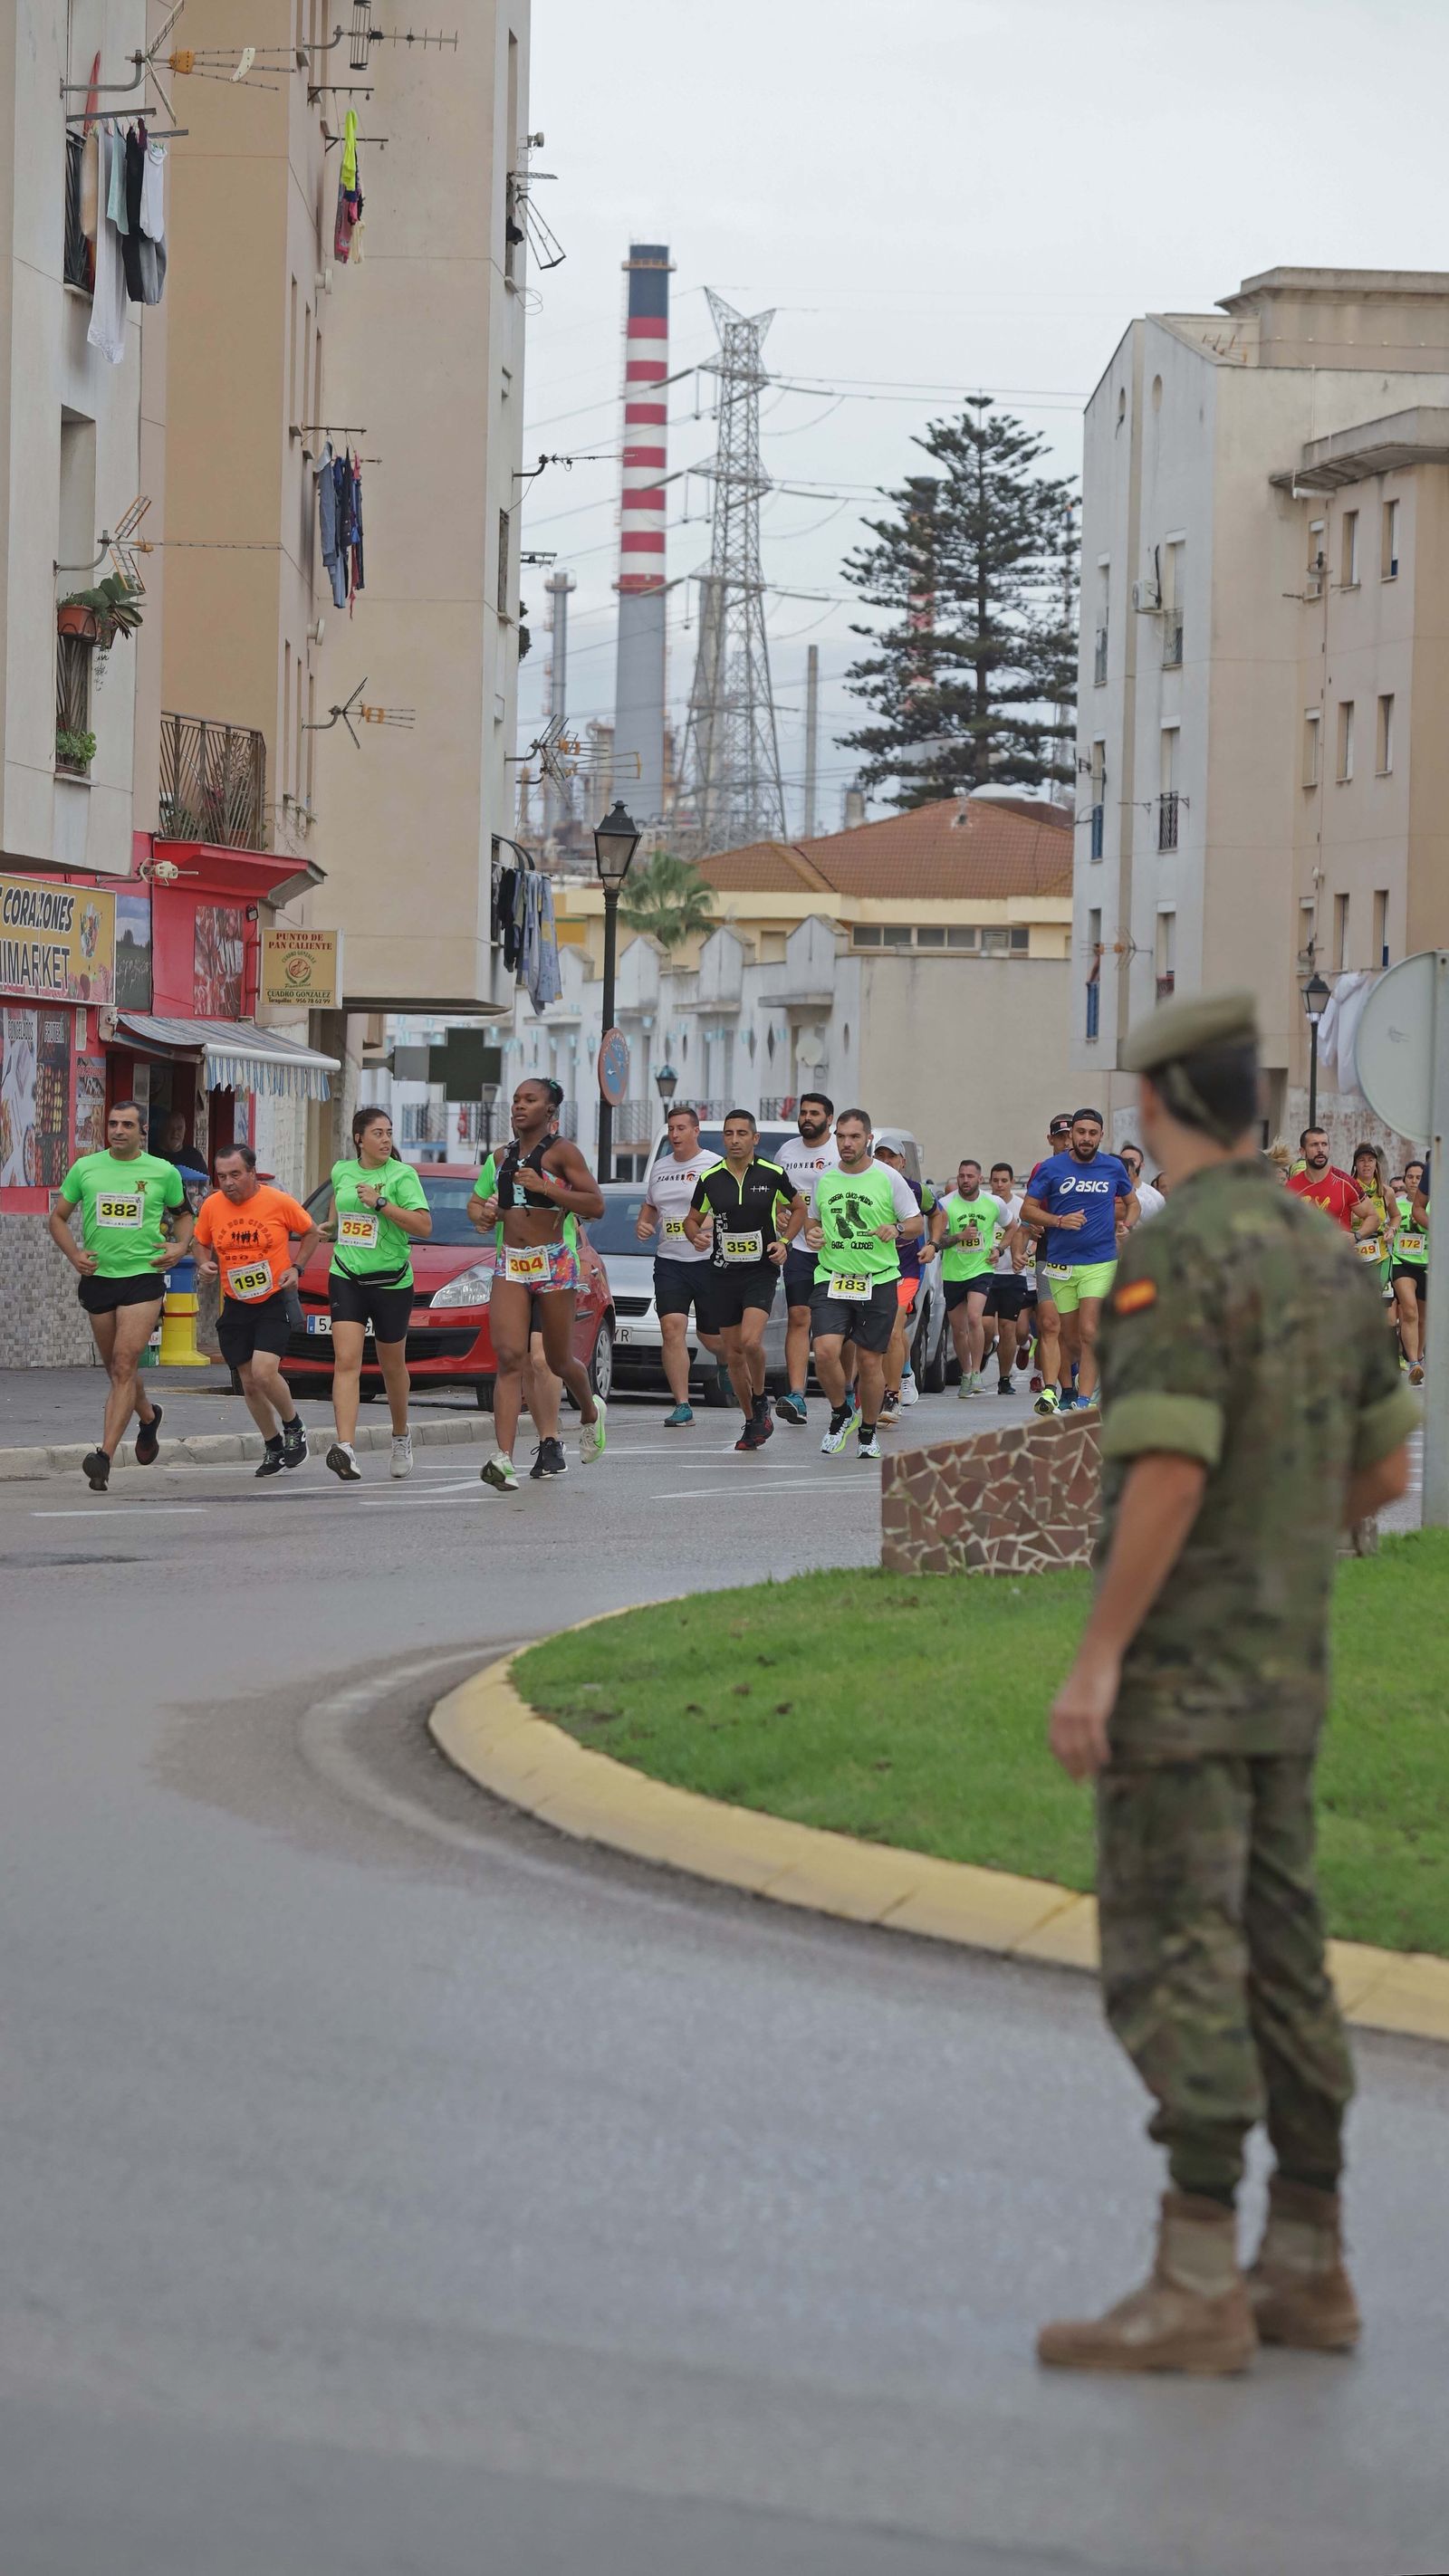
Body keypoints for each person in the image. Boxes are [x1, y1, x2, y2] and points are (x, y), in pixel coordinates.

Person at [1038, 990, 1415, 2378]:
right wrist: (1275, 1542)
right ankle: (1308, 2261)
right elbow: (1381, 1471)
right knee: (1284, 1945)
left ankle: (1197, 2273)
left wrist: (1100, 1656)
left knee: (1174, 1946)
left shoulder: (1171, 1255)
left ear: (1153, 1109)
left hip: (1186, 1669)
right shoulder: (1325, 1249)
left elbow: (1171, 1465)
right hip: (1288, 1658)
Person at [47, 1098, 194, 1493]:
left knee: (126, 1363)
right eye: (113, 1124)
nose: (118, 1131)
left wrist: (180, 1247)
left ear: (142, 1130)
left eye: (127, 1125)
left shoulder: (162, 1171)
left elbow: (184, 1214)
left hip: (143, 1277)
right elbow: (57, 1218)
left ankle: (105, 1457)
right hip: (99, 1278)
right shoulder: (86, 1167)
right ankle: (148, 1418)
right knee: (116, 1369)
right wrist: (74, 1254)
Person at [473, 1078, 607, 1492]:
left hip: (554, 1262)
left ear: (549, 1111)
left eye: (529, 1101)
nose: (518, 1106)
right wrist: (482, 1214)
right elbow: (477, 1203)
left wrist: (546, 1187)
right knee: (510, 1358)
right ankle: (503, 1459)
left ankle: (589, 1411)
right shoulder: (500, 1157)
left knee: (557, 1359)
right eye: (515, 1100)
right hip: (511, 1263)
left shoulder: (563, 1152)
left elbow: (596, 1204)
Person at [191, 1145, 320, 1477]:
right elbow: (200, 1240)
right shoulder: (212, 1205)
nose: (228, 1183)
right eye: (222, 1177)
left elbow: (309, 1232)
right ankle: (273, 1444)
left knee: (264, 1372)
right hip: (236, 1302)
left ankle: (294, 1427)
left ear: (252, 1173)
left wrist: (297, 1268)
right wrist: (204, 1262)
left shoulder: (277, 1202)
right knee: (248, 1383)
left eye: (235, 1175)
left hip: (273, 1299)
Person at [803, 1109, 923, 1460]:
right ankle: (842, 1412)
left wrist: (896, 1229)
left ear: (867, 1139)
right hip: (832, 1277)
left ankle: (868, 1431)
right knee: (824, 1352)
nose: (846, 1143)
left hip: (878, 1280)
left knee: (870, 1362)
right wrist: (812, 1234)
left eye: (854, 1137)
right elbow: (813, 1222)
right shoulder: (824, 1179)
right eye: (841, 1136)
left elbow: (915, 1223)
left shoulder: (887, 1178)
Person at [322, 1106, 432, 1484]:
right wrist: (331, 1225)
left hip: (392, 1281)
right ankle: (346, 1448)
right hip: (347, 1276)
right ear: (359, 1139)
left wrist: (382, 1203)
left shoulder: (403, 1175)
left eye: (389, 1133)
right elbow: (339, 1203)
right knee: (346, 1360)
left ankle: (401, 1435)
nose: (385, 1140)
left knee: (391, 1367)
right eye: (378, 1133)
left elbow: (424, 1225)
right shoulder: (341, 1170)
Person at [684, 1110, 799, 1453]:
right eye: (729, 1134)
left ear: (755, 1138)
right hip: (722, 1272)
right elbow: (693, 1220)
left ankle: (761, 1398)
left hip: (760, 1271)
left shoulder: (773, 1174)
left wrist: (785, 1241)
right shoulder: (711, 1178)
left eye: (742, 1134)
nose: (735, 1140)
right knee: (733, 1353)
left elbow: (799, 1209)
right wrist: (695, 1237)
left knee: (750, 1342)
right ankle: (752, 1420)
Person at [1020, 1109, 1137, 1412]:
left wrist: (1127, 1226)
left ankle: (1084, 1401)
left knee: (1090, 1331)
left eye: (1093, 1133)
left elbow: (1131, 1202)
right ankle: (1075, 1388)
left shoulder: (1112, 1167)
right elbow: (1027, 1211)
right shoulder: (1051, 1168)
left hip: (1100, 1261)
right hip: (1059, 1262)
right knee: (1068, 1339)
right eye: (1081, 1132)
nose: (1086, 1138)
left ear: (1101, 1135)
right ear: (1071, 1135)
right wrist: (1058, 1220)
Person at [636, 1103, 723, 1427]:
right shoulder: (660, 1167)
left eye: (681, 1128)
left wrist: (709, 1229)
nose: (674, 1134)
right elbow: (650, 1208)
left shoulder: (714, 1165)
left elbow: (730, 1208)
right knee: (672, 1329)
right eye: (671, 1129)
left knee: (712, 1337)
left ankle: (731, 1364)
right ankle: (682, 1404)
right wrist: (644, 1225)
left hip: (708, 1260)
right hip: (671, 1260)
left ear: (696, 1131)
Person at [773, 1093, 840, 1427]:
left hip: (840, 1252)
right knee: (799, 1317)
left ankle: (847, 1391)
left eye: (814, 1113)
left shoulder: (839, 1151)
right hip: (799, 1249)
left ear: (829, 1118)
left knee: (841, 1330)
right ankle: (797, 1394)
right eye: (803, 1113)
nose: (807, 1118)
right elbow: (778, 1197)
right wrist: (781, 1216)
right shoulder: (786, 1152)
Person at [871, 1132, 936, 1429]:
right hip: (870, 1268)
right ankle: (904, 1370)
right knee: (878, 1333)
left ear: (902, 1162)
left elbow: (938, 1215)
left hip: (906, 1270)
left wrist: (932, 1244)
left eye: (890, 1157)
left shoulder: (916, 1190)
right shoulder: (864, 1185)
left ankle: (892, 1396)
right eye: (880, 1155)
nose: (885, 1162)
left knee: (892, 1329)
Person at [933, 1158, 1011, 1400]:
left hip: (981, 1269)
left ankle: (977, 1371)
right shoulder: (945, 1205)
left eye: (969, 1176)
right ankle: (966, 1372)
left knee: (975, 1318)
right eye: (961, 1176)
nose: (965, 1180)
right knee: (958, 1329)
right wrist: (960, 1236)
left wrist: (999, 1250)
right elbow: (938, 1241)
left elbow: (1013, 1228)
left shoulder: (993, 1203)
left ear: (980, 1179)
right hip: (954, 1272)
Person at [1021, 1113, 1073, 1407]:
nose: (1067, 1142)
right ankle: (1054, 1390)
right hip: (1049, 1252)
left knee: (1077, 1330)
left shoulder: (1095, 1170)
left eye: (1071, 1136)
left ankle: (1078, 1384)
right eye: (1061, 1137)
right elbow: (1028, 1211)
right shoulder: (1043, 1169)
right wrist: (1037, 1225)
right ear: (1050, 1139)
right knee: (1050, 1324)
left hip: (1085, 1255)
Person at [984, 1160, 1031, 1394]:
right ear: (989, 1182)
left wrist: (1024, 1253)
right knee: (985, 1325)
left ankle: (1004, 1378)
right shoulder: (983, 1203)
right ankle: (985, 1350)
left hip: (1013, 1274)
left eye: (1004, 1181)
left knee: (1012, 1329)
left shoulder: (1021, 1206)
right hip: (986, 1273)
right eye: (995, 1181)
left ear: (1012, 1182)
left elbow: (1033, 1234)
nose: (1000, 1185)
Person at [1286, 1129, 1377, 1241]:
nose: (1320, 1149)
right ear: (1303, 1151)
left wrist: (1356, 1236)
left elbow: (1373, 1217)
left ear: (1329, 1148)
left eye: (1324, 1144)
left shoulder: (1346, 1182)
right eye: (1314, 1145)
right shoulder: (1290, 1188)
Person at [1394, 1158, 1429, 1383]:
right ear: (1404, 1180)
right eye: (1410, 1177)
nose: (1414, 1181)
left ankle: (1419, 1356)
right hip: (1401, 1262)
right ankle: (1413, 1362)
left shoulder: (1435, 1205)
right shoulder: (1396, 1204)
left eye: (1419, 1177)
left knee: (1423, 1318)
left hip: (1427, 1265)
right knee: (1409, 1311)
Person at [1118, 1143, 1165, 1222]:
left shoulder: (1154, 1197)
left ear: (1142, 1165)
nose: (1126, 1165)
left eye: (1132, 1161)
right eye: (1123, 1160)